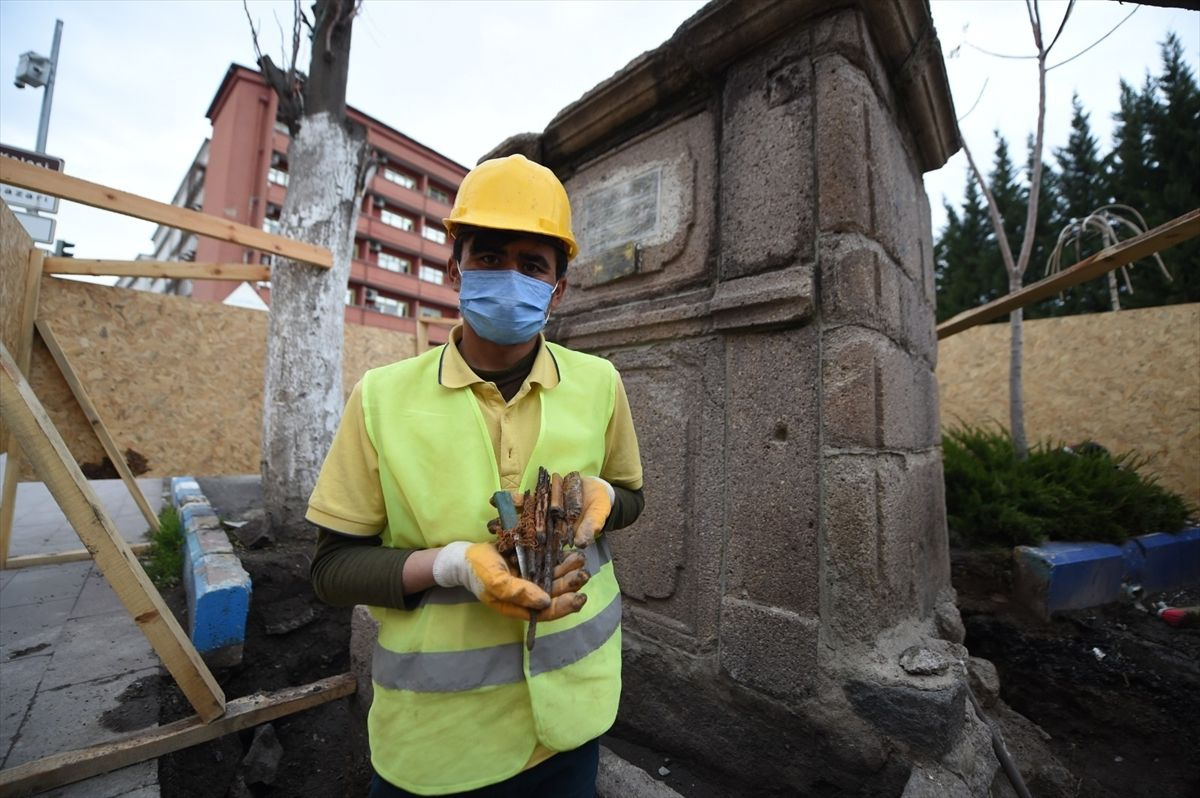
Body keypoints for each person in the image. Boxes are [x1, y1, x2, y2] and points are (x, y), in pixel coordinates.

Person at [307, 153, 645, 798]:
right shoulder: (380, 398)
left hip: (570, 725)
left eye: (532, 265)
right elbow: (331, 570)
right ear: (454, 266)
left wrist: (606, 496)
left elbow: (630, 498)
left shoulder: (600, 383)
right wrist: (454, 564)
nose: (510, 276)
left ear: (558, 287)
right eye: (489, 257)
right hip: (437, 742)